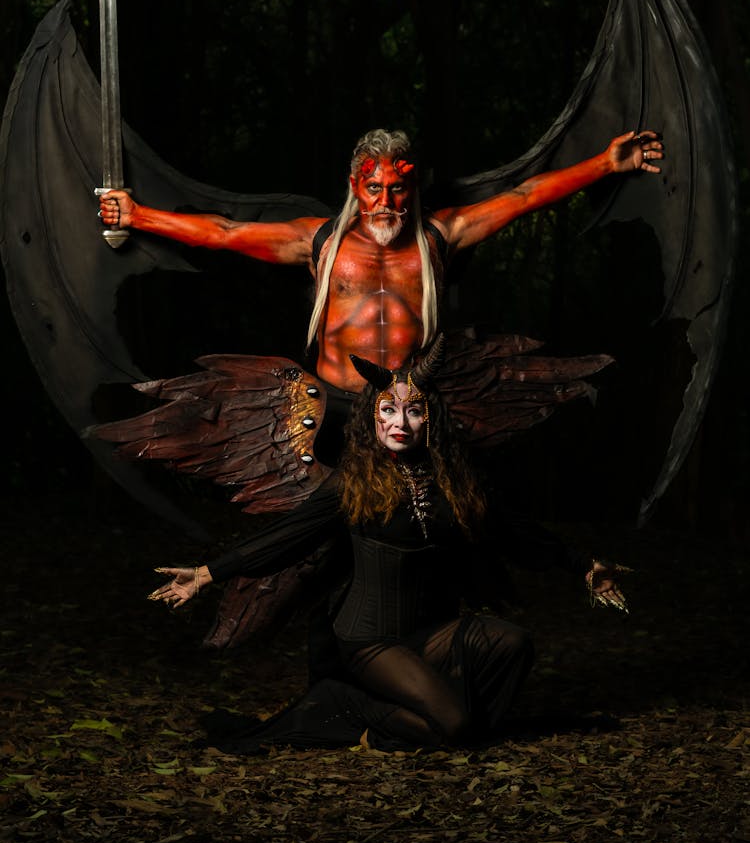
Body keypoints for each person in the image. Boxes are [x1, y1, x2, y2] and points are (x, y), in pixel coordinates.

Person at [146, 341, 627, 753]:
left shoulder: (456, 483)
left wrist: (584, 565)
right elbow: (285, 538)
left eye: (414, 410)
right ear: (371, 419)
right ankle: (348, 707)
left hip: (433, 631)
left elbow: (516, 530)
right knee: (457, 727)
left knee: (513, 643)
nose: (401, 422)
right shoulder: (350, 486)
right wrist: (207, 573)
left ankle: (447, 717)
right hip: (370, 639)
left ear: (430, 419)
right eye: (389, 410)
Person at [99, 127, 664, 397]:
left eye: (397, 188)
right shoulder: (319, 241)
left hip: (412, 409)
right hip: (333, 408)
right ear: (355, 185)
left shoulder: (441, 236)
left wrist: (605, 166)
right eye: (374, 187)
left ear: (411, 187)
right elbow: (223, 232)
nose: (385, 201)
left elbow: (522, 197)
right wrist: (137, 218)